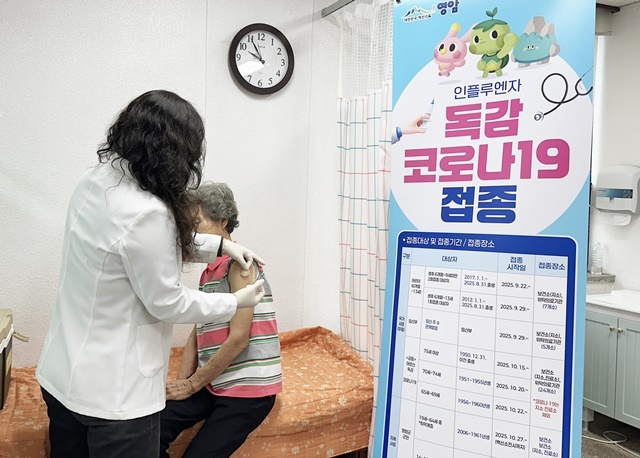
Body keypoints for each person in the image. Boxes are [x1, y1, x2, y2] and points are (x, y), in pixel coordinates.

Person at [36, 90, 267, 458]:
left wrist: (219, 246)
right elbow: (168, 301)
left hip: (63, 374)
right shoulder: (149, 212)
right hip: (115, 396)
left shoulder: (94, 180)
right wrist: (233, 302)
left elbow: (129, 245)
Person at [159, 182, 282, 458]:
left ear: (223, 221)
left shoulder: (240, 264)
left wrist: (192, 385)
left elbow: (239, 339)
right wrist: (182, 385)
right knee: (150, 431)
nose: (191, 233)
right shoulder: (209, 272)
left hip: (248, 390)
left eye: (197, 223)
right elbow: (198, 332)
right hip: (215, 383)